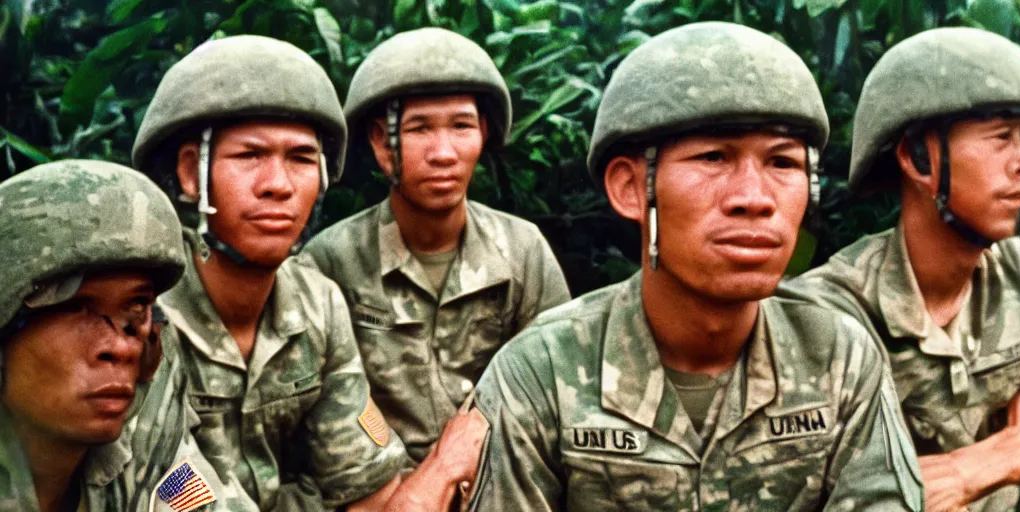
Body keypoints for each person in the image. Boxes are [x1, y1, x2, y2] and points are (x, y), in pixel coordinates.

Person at [464, 22, 924, 511]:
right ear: (629, 188)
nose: (754, 198)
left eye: (783, 163)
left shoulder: (838, 357)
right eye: (713, 157)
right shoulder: (543, 372)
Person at [132, 35, 484, 511]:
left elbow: (371, 494)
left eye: (300, 159)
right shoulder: (137, 314)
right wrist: (445, 465)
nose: (277, 185)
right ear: (193, 174)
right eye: (249, 156)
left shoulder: (316, 303)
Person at [778, 27, 1020, 511]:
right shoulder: (826, 319)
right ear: (917, 157)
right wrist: (1001, 454)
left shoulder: (1018, 272)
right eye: (1002, 138)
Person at [304, 27, 571, 464]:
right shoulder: (333, 260)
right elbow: (326, 409)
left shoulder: (522, 250)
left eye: (461, 126)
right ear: (380, 142)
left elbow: (555, 391)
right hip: (377, 488)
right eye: (419, 128)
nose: (444, 153)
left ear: (483, 133)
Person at [0, 159, 239, 512]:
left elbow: (199, 502)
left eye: (136, 306)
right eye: (76, 307)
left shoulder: (146, 436)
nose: (121, 346)